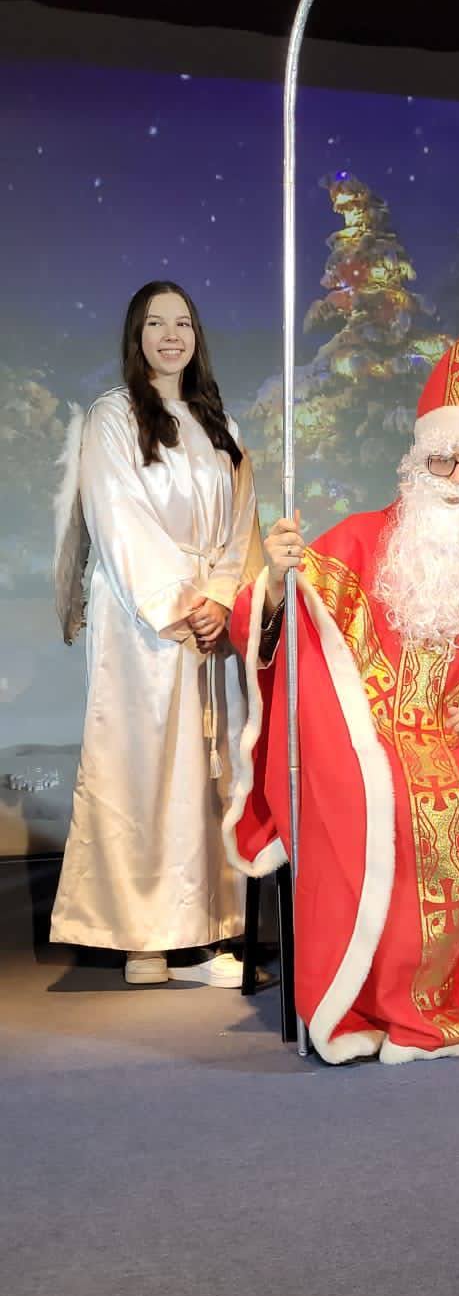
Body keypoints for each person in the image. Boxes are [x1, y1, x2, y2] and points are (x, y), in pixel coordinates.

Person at [224, 326, 459, 1069]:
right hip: (364, 738)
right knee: (358, 784)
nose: (455, 476)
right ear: (418, 463)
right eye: (443, 459)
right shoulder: (355, 541)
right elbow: (282, 635)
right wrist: (277, 585)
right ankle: (366, 995)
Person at [51, 282, 262, 986]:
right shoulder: (113, 418)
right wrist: (181, 603)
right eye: (155, 324)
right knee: (144, 766)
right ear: (135, 336)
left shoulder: (219, 422)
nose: (171, 336)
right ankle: (143, 936)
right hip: (145, 621)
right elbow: (118, 518)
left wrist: (223, 597)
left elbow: (243, 524)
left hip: (211, 623)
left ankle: (207, 928)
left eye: (183, 324)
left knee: (210, 769)